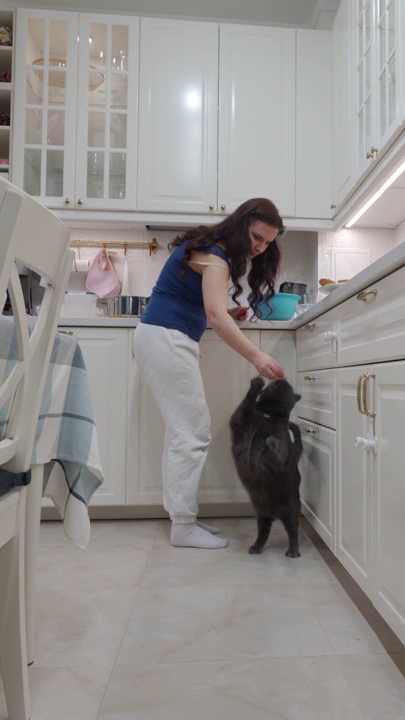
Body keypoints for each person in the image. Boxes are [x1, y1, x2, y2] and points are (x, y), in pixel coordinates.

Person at [133, 197, 288, 549]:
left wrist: (229, 312)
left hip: (163, 336)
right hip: (167, 338)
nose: (260, 248)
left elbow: (206, 307)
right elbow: (214, 317)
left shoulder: (210, 251)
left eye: (266, 243)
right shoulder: (215, 255)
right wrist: (257, 356)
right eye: (256, 238)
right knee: (193, 431)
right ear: (240, 224)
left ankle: (181, 518)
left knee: (183, 431)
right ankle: (183, 525)